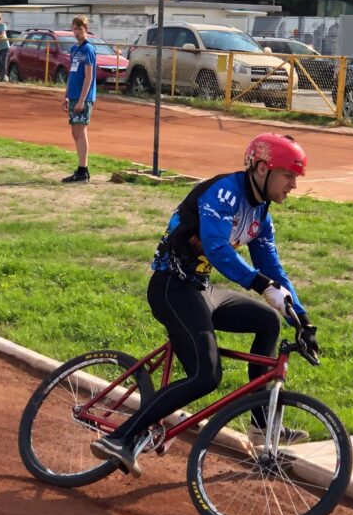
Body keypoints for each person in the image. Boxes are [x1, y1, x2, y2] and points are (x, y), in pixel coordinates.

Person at [89, 133, 319, 477]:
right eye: (289, 176)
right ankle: (120, 438)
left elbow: (273, 268)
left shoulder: (261, 215)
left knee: (267, 322)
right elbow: (216, 248)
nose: (293, 186)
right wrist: (260, 285)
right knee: (205, 376)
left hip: (201, 290)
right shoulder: (225, 193)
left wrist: (299, 315)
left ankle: (260, 427)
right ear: (261, 168)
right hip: (171, 287)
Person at [61, 15, 97, 184]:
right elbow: (72, 74)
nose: (76, 32)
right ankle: (80, 168)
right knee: (74, 132)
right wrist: (67, 95)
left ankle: (83, 170)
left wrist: (82, 100)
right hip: (74, 95)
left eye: (80, 29)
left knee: (81, 131)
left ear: (85, 30)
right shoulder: (75, 49)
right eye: (74, 29)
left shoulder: (87, 49)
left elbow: (88, 77)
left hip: (83, 97)